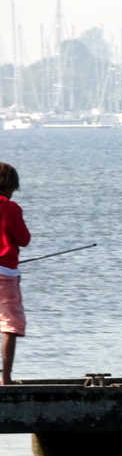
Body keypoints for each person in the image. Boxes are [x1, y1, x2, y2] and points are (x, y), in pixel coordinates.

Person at [0, 163, 30, 385]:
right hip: (5, 273)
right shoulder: (10, 208)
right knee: (10, 325)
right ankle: (6, 379)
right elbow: (24, 239)